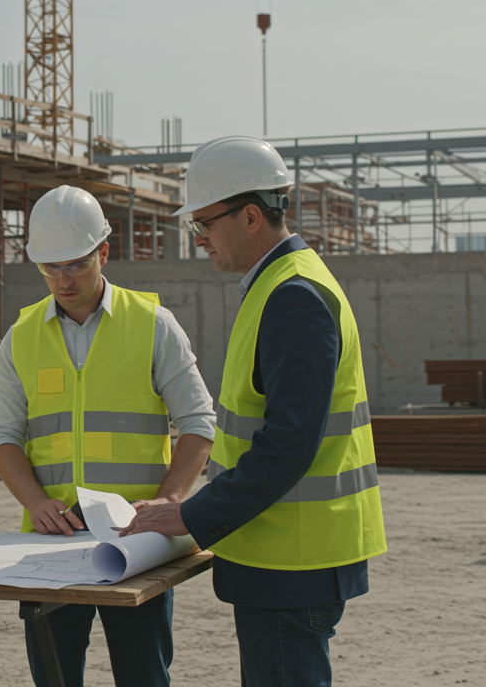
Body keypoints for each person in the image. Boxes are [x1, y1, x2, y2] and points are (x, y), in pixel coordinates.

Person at [121, 136, 387, 687]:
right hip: (285, 552)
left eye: (204, 225)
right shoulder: (275, 286)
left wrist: (191, 515)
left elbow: (287, 443)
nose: (198, 240)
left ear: (248, 217)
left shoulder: (293, 297)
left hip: (295, 560)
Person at [0, 185, 216, 687]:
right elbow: (2, 436)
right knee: (54, 678)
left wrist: (167, 503)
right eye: (50, 268)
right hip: (50, 546)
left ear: (103, 253)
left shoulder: (154, 326)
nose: (63, 280)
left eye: (75, 264)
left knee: (143, 678)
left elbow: (199, 423)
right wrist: (34, 501)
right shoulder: (21, 337)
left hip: (137, 544)